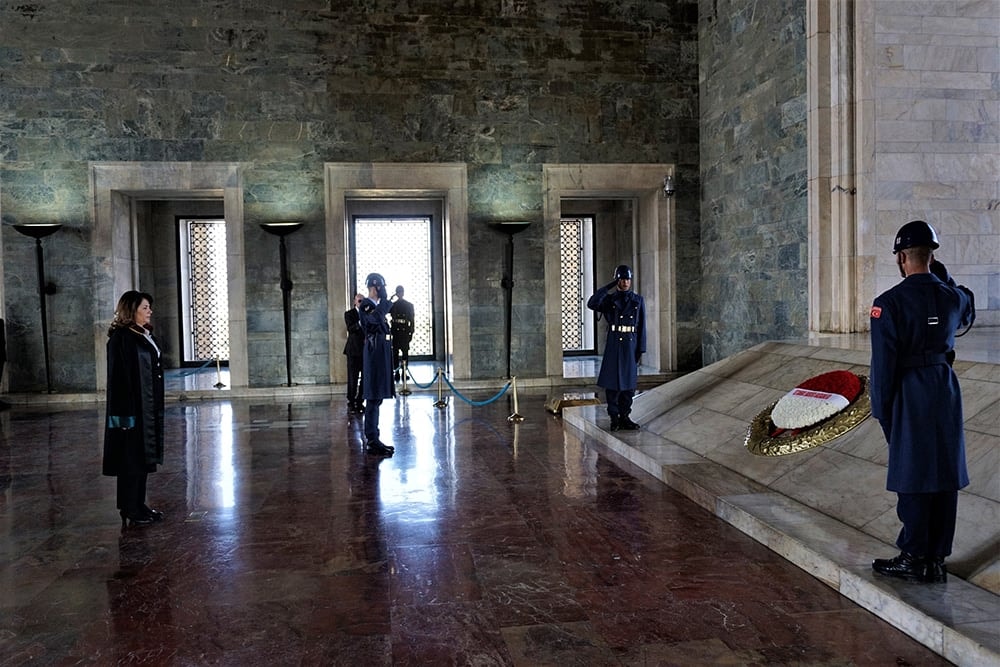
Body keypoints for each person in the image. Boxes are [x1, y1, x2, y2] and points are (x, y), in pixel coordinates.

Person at [869, 220, 975, 583]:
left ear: (901, 257)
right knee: (943, 470)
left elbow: (883, 366)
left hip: (908, 391)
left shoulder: (888, 304)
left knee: (912, 471)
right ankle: (936, 558)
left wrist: (882, 411)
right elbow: (967, 306)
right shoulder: (952, 297)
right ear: (932, 255)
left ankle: (914, 555)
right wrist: (940, 276)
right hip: (944, 389)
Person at [102, 291, 166, 528]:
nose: (149, 311)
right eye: (145, 307)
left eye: (149, 307)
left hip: (147, 407)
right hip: (131, 410)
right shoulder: (121, 338)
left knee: (143, 459)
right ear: (132, 310)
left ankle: (139, 504)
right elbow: (118, 379)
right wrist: (124, 417)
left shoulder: (144, 335)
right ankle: (129, 507)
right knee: (130, 459)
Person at [587, 264, 646, 431]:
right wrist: (608, 287)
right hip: (614, 344)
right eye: (622, 279)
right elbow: (592, 303)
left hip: (630, 344)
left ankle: (625, 417)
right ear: (617, 280)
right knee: (613, 385)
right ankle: (614, 418)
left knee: (628, 385)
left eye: (627, 279)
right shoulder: (609, 300)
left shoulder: (638, 300)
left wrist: (641, 348)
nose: (626, 282)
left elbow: (642, 326)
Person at [359, 273, 395, 457]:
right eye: (381, 287)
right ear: (376, 287)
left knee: (377, 397)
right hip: (373, 354)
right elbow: (371, 323)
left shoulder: (376, 307)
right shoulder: (366, 305)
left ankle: (375, 437)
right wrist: (383, 307)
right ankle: (372, 440)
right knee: (372, 397)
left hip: (380, 353)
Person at [344, 292, 365, 415]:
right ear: (355, 302)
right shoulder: (349, 314)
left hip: (365, 351)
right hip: (353, 351)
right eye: (359, 301)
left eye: (363, 301)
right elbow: (351, 328)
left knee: (364, 378)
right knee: (353, 377)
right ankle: (351, 401)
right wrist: (361, 321)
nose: (361, 303)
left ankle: (360, 400)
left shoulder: (368, 314)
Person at [389, 285, 415, 382]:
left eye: (401, 292)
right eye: (398, 292)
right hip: (395, 331)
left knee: (405, 353)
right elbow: (385, 310)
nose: (400, 294)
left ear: (403, 293)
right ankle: (396, 371)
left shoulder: (409, 305)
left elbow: (412, 320)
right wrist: (389, 300)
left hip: (404, 331)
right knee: (395, 353)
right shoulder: (393, 305)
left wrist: (411, 332)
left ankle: (404, 371)